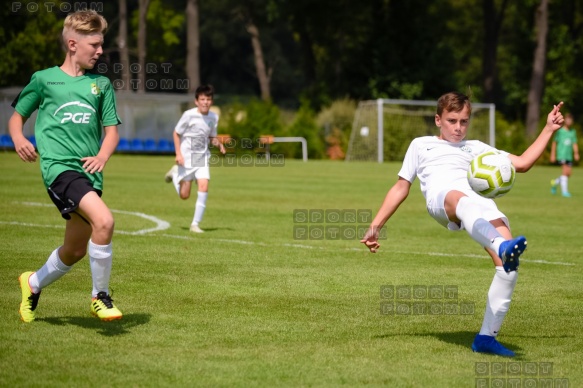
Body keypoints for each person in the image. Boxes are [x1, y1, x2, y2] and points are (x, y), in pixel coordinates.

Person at [360, 92, 564, 357]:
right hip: (443, 199)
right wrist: (376, 225)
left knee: (508, 268)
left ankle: (486, 338)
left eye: (464, 121)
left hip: (480, 205)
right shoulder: (421, 145)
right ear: (438, 120)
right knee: (461, 199)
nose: (458, 127)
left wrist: (549, 129)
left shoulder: (477, 148)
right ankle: (501, 246)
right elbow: (401, 187)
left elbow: (523, 163)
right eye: (452, 120)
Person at [8, 10, 123, 322]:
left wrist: (102, 156)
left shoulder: (101, 84)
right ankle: (100, 296)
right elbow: (17, 117)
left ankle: (31, 283)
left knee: (74, 251)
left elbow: (112, 132)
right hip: (59, 170)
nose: (100, 51)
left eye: (102, 45)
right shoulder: (45, 80)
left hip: (90, 176)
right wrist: (18, 138)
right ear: (73, 44)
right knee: (105, 221)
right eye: (95, 45)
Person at [164, 85, 226, 233]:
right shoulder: (188, 115)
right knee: (184, 196)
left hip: (202, 157)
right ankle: (174, 175)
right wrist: (178, 154)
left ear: (211, 101)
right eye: (202, 99)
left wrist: (219, 145)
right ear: (196, 101)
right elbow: (176, 133)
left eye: (208, 99)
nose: (205, 102)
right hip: (186, 158)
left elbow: (211, 136)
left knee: (204, 186)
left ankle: (195, 224)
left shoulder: (213, 117)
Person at [550, 113, 579, 197]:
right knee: (565, 171)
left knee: (568, 173)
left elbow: (574, 143)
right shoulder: (560, 131)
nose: (569, 121)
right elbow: (554, 142)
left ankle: (555, 182)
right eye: (568, 119)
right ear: (565, 120)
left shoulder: (573, 132)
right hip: (561, 154)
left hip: (569, 155)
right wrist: (553, 154)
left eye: (571, 119)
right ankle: (564, 192)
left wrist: (576, 153)